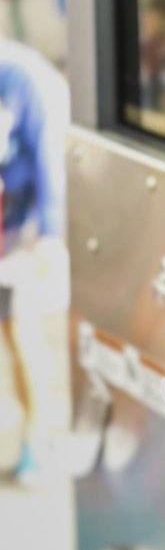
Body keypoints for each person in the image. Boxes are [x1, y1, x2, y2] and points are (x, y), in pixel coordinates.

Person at [0, 36, 69, 484]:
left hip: (20, 227)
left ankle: (40, 440)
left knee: (19, 326)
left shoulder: (24, 78)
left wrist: (50, 234)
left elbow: (48, 158)